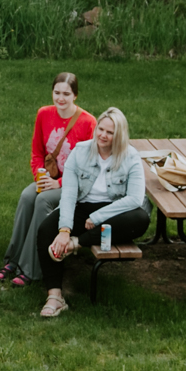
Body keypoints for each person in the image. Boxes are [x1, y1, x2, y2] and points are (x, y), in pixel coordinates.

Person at [33, 107, 149, 319]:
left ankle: (78, 243)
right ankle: (55, 296)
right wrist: (64, 230)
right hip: (84, 205)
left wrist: (97, 218)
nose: (103, 135)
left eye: (110, 132)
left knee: (140, 219)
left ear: (120, 135)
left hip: (113, 211)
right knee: (46, 230)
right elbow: (68, 193)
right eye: (100, 129)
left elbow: (134, 198)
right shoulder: (80, 151)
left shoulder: (130, 156)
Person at [0, 71, 95, 287]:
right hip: (50, 179)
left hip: (75, 185)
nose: (61, 98)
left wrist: (58, 184)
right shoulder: (43, 114)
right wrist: (40, 177)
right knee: (27, 196)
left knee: (42, 201)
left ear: (75, 95)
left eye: (66, 94)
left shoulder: (88, 123)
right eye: (57, 93)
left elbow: (88, 170)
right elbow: (37, 153)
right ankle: (13, 259)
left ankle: (31, 268)